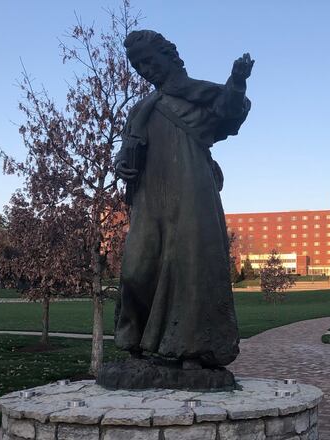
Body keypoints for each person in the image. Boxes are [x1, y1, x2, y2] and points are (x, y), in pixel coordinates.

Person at [113, 30, 253, 371]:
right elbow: (127, 149)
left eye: (149, 60)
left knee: (192, 270)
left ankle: (194, 350)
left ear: (169, 57)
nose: (145, 69)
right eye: (137, 64)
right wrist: (122, 165)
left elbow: (229, 114)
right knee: (136, 269)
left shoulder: (197, 94)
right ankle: (134, 343)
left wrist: (236, 81)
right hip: (150, 197)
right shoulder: (142, 109)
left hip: (192, 191)